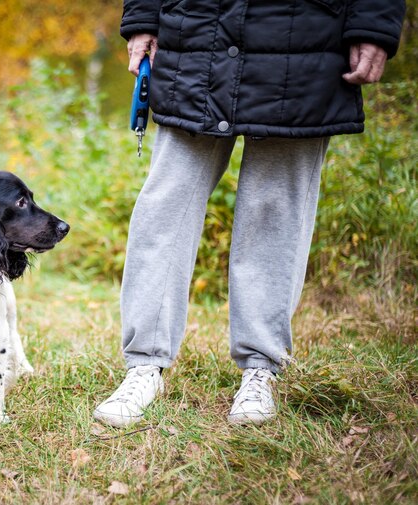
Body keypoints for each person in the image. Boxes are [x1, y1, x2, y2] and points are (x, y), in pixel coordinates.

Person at [93, 0, 405, 428]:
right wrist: (144, 17)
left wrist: (374, 23)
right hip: (196, 33)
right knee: (164, 205)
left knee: (275, 211)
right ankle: (143, 365)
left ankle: (260, 368)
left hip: (305, 38)